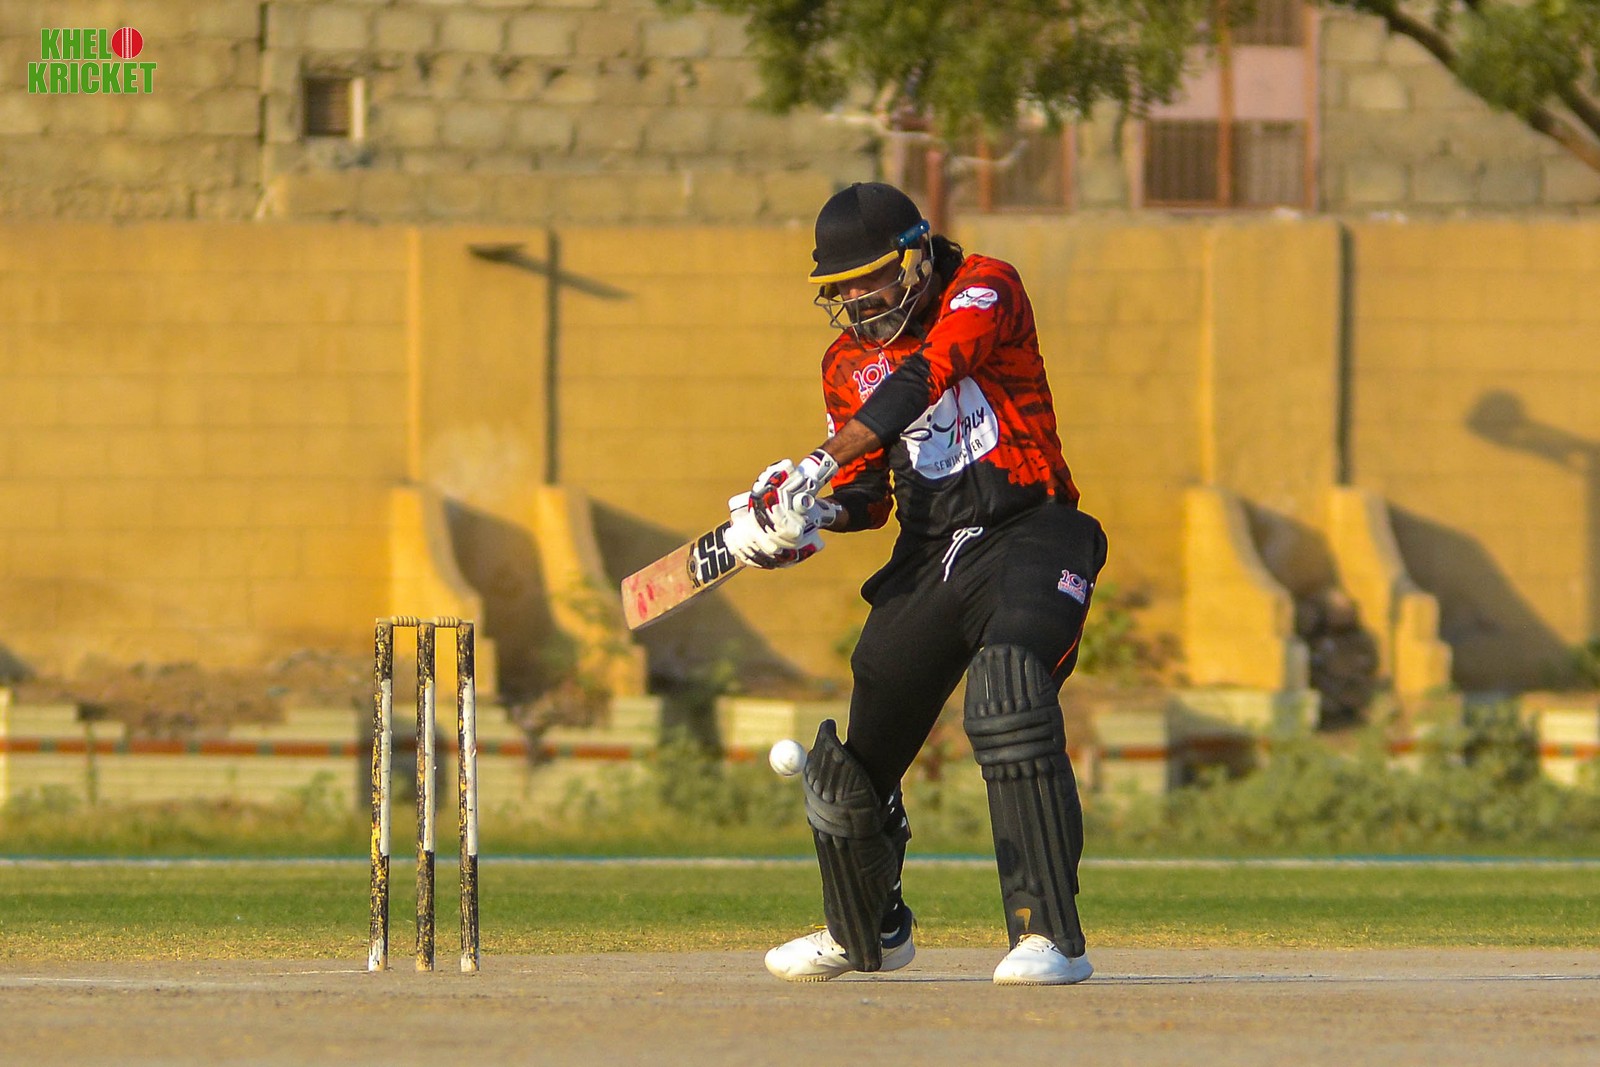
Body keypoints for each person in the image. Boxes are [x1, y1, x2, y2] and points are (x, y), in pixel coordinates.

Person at [723, 182, 1108, 986]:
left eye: (874, 277)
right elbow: (869, 496)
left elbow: (931, 374)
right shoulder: (844, 366)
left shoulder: (985, 287)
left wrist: (817, 461)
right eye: (843, 287)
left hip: (1032, 529)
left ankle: (1048, 934)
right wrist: (808, 515)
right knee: (852, 759)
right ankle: (866, 926)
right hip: (931, 554)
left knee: (1007, 689)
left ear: (919, 255)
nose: (860, 299)